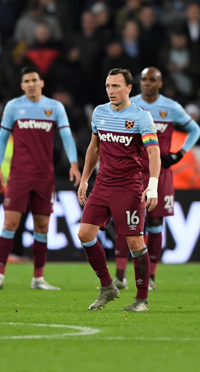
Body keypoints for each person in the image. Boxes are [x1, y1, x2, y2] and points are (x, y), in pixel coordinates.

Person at [0, 66, 81, 290]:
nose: (30, 84)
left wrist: (74, 164)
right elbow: (2, 138)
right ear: (22, 85)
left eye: (34, 80)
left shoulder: (54, 107)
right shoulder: (13, 106)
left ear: (41, 83)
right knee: (10, 222)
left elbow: (66, 135)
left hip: (44, 176)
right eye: (26, 81)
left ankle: (38, 278)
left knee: (42, 226)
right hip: (18, 175)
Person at [109, 67, 200, 290]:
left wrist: (179, 154)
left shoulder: (170, 107)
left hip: (161, 174)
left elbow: (195, 130)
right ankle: (120, 276)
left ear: (160, 83)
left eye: (152, 80)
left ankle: (150, 277)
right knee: (127, 222)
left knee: (156, 223)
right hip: (133, 172)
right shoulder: (130, 104)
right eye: (144, 80)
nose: (147, 83)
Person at [77, 68, 160, 312]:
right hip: (103, 184)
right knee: (84, 234)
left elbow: (154, 152)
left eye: (116, 86)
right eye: (108, 86)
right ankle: (108, 287)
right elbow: (94, 148)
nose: (111, 91)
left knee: (134, 241)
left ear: (128, 89)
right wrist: (84, 179)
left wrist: (152, 186)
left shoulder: (141, 117)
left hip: (128, 187)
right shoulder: (99, 112)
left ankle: (141, 299)